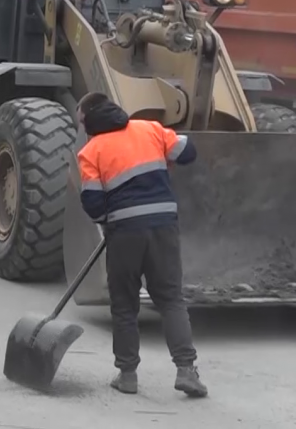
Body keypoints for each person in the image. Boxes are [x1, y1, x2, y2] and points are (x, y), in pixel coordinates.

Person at [75, 91, 208, 398]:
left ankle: (127, 375)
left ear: (91, 120)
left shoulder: (91, 151)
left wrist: (109, 220)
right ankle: (186, 370)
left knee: (124, 304)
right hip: (163, 227)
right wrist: (167, 144)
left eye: (82, 122)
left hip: (124, 232)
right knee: (171, 299)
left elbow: (93, 204)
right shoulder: (149, 129)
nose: (83, 129)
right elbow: (188, 153)